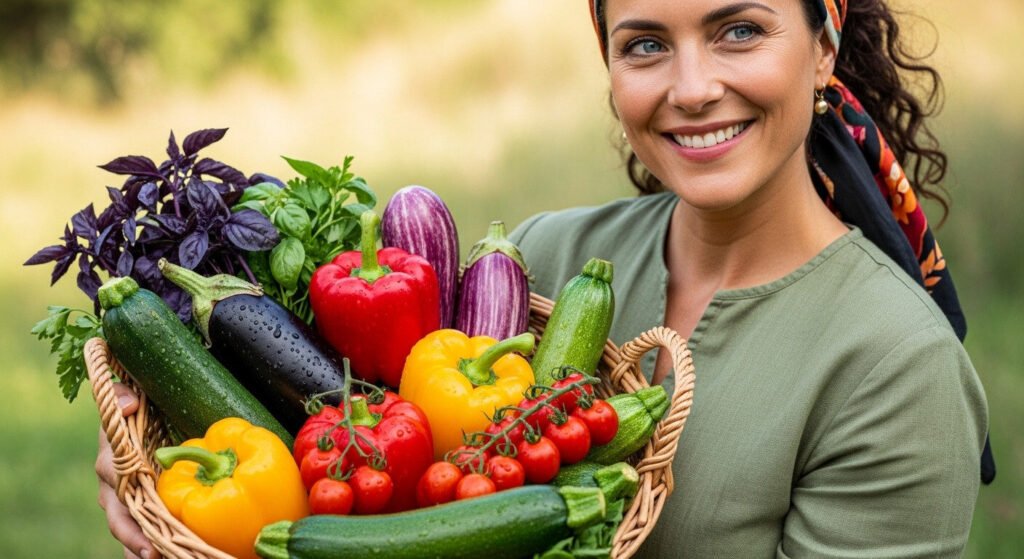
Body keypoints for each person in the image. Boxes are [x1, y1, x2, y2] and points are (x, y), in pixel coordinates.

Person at [98, 0, 989, 557]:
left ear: (824, 49)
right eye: (645, 45)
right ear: (610, 71)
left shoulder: (894, 365)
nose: (690, 86)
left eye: (739, 31)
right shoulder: (534, 261)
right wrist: (169, 473)